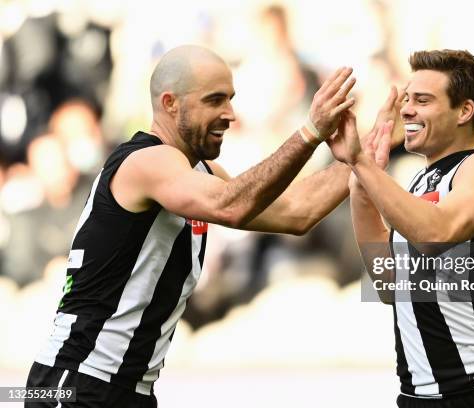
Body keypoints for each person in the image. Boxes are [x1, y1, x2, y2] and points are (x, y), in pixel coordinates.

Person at [24, 45, 373, 407]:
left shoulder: (196, 173)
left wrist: (371, 151)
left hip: (120, 389)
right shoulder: (147, 161)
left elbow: (299, 212)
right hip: (76, 383)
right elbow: (232, 205)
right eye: (215, 100)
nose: (230, 114)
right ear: (170, 103)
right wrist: (311, 131)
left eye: (231, 99)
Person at [328, 49, 474, 407]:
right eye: (407, 99)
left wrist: (360, 161)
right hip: (419, 395)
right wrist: (360, 185)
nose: (407, 110)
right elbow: (389, 286)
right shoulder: (420, 182)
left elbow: (436, 235)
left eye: (423, 100)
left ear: (465, 111)